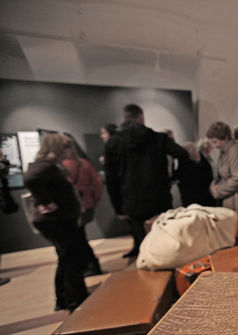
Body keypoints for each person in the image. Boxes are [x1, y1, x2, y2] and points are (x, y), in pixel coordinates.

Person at [105, 104, 190, 258]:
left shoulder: (114, 143)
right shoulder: (158, 138)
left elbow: (111, 178)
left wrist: (118, 207)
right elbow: (183, 154)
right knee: (166, 239)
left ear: (125, 118)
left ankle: (151, 275)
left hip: (132, 199)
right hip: (159, 196)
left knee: (144, 244)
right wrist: (174, 177)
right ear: (141, 117)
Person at [23, 134, 90, 311]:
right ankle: (75, 299)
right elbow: (31, 179)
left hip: (60, 219)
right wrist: (46, 201)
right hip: (56, 220)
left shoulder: (49, 164)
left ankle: (64, 298)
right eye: (67, 146)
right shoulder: (44, 164)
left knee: (66, 258)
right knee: (70, 258)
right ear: (58, 147)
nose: (70, 150)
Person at [61, 137, 104, 276]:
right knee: (79, 236)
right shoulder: (84, 163)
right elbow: (97, 184)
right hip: (86, 204)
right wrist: (93, 201)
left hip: (72, 207)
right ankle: (89, 264)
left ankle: (89, 264)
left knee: (78, 238)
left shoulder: (62, 166)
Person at [206, 121, 238, 210]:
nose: (214, 146)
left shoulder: (235, 151)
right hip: (232, 199)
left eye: (215, 142)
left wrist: (219, 191)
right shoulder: (225, 152)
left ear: (225, 138)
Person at [176, 141, 217, 207]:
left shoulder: (180, 169)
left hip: (188, 205)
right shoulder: (197, 169)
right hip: (203, 204)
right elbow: (209, 177)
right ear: (194, 153)